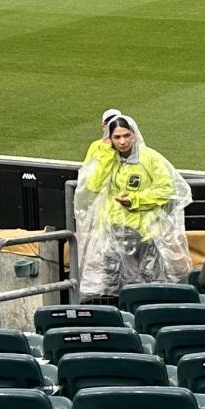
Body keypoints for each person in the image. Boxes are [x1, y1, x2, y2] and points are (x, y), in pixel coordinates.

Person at [76, 109, 191, 302]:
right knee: (113, 285)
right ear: (109, 139)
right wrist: (105, 153)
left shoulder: (150, 157)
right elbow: (93, 185)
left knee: (150, 282)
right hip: (114, 231)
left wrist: (135, 200)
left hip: (146, 233)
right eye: (117, 137)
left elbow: (166, 189)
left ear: (133, 135)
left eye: (126, 136)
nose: (122, 141)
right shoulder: (107, 157)